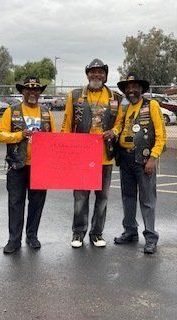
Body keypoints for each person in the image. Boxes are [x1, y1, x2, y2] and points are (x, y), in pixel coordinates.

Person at [61, 58, 121, 248]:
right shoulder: (75, 95)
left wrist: (115, 132)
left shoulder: (115, 98)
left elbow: (120, 123)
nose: (96, 75)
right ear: (87, 74)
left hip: (105, 157)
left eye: (100, 72)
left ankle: (97, 233)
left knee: (102, 197)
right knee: (80, 197)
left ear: (105, 75)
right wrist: (66, 150)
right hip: (82, 157)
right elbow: (67, 123)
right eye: (93, 72)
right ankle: (78, 233)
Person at [104, 73, 166, 254]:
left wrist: (153, 158)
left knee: (147, 200)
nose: (131, 90)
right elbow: (119, 127)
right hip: (126, 158)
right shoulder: (126, 108)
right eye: (128, 88)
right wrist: (113, 133)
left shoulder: (152, 105)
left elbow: (161, 135)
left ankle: (151, 237)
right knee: (128, 198)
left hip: (145, 159)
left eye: (134, 87)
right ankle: (130, 231)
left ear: (141, 88)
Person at [0, 76, 56, 253]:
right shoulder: (12, 111)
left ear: (40, 93)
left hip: (40, 166)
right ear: (22, 91)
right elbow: (0, 135)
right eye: (28, 89)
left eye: (36, 90)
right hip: (17, 165)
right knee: (16, 203)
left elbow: (53, 139)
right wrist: (19, 135)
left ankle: (32, 236)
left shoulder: (47, 113)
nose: (32, 92)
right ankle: (14, 240)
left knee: (37, 203)